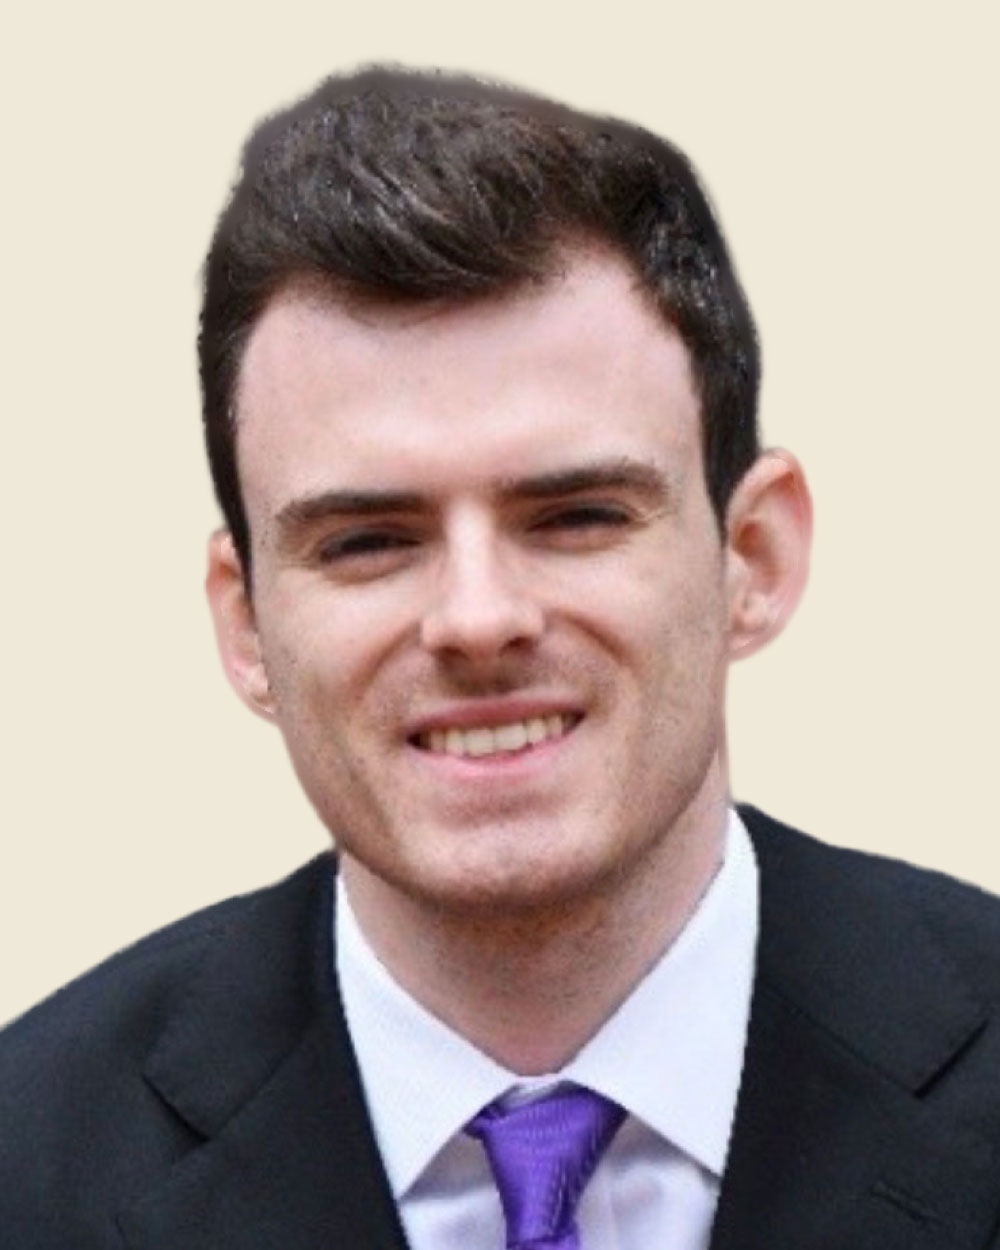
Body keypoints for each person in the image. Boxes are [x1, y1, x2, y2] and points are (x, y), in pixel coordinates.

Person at [3, 65, 1000, 1250]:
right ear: (245, 624)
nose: (477, 619)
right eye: (368, 540)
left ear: (753, 556)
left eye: (575, 515)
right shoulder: (30, 1159)